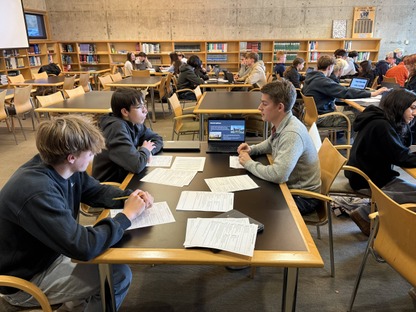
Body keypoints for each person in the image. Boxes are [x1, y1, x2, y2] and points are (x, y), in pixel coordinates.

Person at [0, 115, 154, 311]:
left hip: (52, 249)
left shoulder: (62, 166)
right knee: (118, 274)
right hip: (27, 278)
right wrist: (127, 216)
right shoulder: (37, 191)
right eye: (90, 154)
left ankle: (78, 302)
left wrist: (130, 197)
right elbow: (83, 248)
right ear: (71, 157)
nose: (93, 157)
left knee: (116, 244)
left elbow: (96, 191)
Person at [237, 80, 321, 215]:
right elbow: (271, 143)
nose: (259, 107)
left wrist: (249, 163)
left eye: (264, 104)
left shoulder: (292, 134)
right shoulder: (283, 121)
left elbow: (278, 175)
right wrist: (252, 150)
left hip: (302, 197)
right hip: (289, 187)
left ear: (280, 107)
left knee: (252, 207)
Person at [345, 89, 416, 236]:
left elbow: (403, 146)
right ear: (399, 106)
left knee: (409, 188)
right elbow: (401, 157)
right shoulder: (382, 125)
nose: (414, 113)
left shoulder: (381, 118)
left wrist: (406, 124)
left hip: (365, 172)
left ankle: (370, 211)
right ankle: (365, 212)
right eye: (412, 108)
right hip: (368, 178)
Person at [93, 88, 163, 183]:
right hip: (112, 186)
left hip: (127, 177)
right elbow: (136, 165)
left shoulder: (134, 122)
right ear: (125, 112)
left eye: (144, 105)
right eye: (139, 107)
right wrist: (145, 150)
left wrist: (149, 152)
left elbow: (157, 138)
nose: (145, 110)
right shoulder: (115, 128)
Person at [302, 55, 387, 130]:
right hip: (322, 118)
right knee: (361, 116)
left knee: (353, 112)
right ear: (329, 67)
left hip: (311, 115)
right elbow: (345, 92)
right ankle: (354, 145)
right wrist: (372, 93)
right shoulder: (323, 81)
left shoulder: (309, 78)